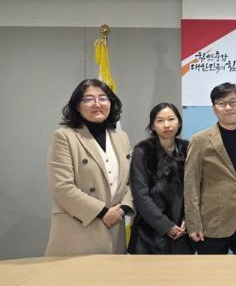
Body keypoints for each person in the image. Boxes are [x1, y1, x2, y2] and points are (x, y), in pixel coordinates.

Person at [46, 79, 133, 255]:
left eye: (103, 98)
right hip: (79, 227)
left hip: (114, 226)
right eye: (88, 99)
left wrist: (122, 209)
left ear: (111, 103)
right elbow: (62, 187)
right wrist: (102, 212)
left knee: (113, 273)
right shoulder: (64, 137)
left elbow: (131, 181)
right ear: (77, 106)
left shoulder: (121, 137)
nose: (97, 104)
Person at [184, 83, 236, 254]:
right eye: (221, 103)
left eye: (233, 102)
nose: (228, 107)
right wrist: (193, 223)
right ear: (214, 108)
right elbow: (191, 185)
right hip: (212, 223)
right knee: (211, 271)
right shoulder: (199, 140)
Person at [128, 103, 192, 254]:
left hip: (183, 232)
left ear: (179, 123)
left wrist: (189, 219)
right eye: (160, 121)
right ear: (152, 126)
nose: (167, 125)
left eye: (171, 119)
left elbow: (194, 189)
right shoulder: (143, 151)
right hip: (150, 233)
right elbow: (140, 195)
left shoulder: (187, 149)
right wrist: (165, 226)